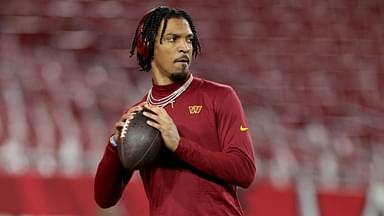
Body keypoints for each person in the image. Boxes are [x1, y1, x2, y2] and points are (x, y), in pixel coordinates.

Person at [94, 6, 256, 216]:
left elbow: (245, 170)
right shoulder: (140, 116)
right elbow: (104, 198)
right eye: (173, 39)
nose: (185, 47)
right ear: (148, 45)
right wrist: (114, 145)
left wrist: (179, 145)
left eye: (188, 39)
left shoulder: (220, 96)